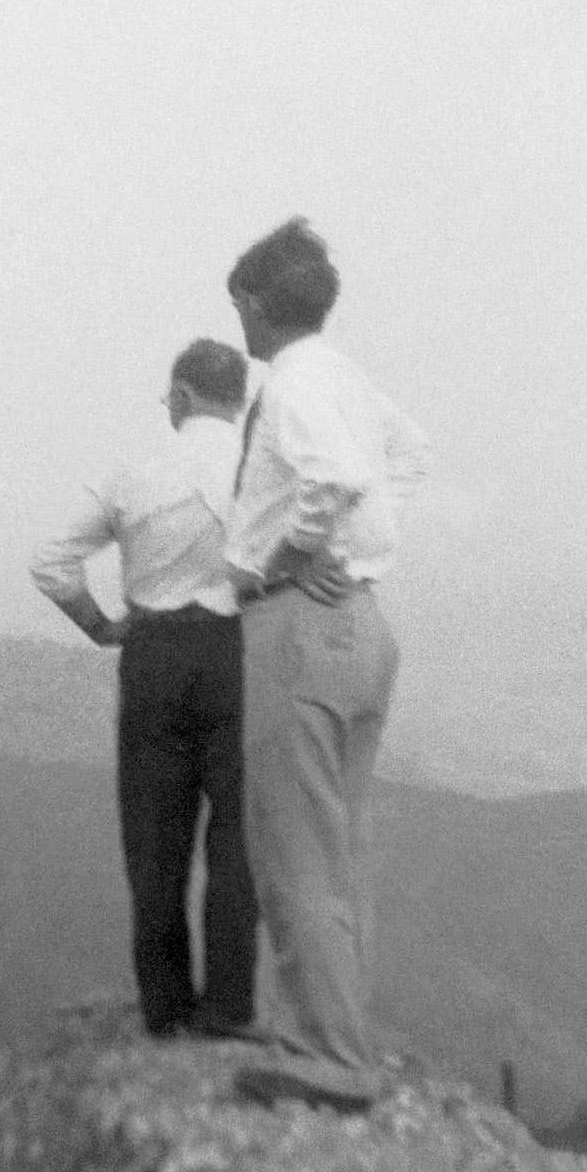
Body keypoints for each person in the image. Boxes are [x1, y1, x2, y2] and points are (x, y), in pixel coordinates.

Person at [219, 216, 432, 1105]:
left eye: (240, 303)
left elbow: (335, 477)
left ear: (257, 303)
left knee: (294, 843)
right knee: (340, 841)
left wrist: (292, 553)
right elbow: (408, 459)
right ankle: (338, 1031)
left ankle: (328, 1055)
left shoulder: (296, 383)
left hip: (297, 624)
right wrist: (354, 551)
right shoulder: (350, 379)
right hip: (363, 626)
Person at [29, 338, 262, 1040]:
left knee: (155, 840)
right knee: (236, 837)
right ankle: (227, 1005)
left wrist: (101, 625)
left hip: (154, 652)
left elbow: (51, 564)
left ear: (183, 395)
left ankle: (165, 1006)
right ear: (238, 398)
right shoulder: (259, 472)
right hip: (237, 652)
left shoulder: (132, 473)